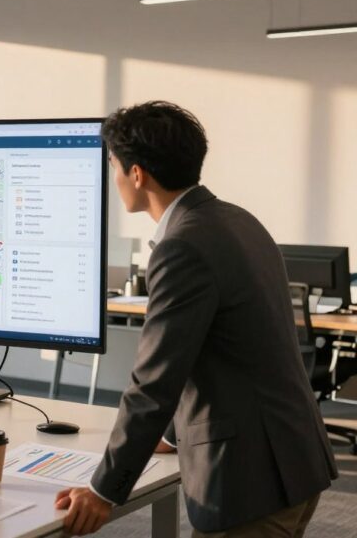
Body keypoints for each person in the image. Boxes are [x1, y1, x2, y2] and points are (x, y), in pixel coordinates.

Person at [55, 101, 338, 537]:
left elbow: (154, 382)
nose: (112, 179)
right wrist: (172, 434)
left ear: (136, 174)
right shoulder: (236, 219)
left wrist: (103, 491)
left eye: (113, 165)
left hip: (251, 480)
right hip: (294, 459)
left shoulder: (181, 246)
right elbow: (220, 349)